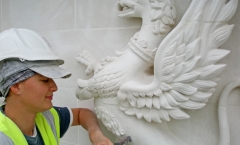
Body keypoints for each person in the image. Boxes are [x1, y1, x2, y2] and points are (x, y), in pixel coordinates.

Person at [0, 28, 113, 145]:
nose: (54, 87)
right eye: (45, 80)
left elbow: (82, 114)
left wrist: (95, 135)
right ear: (16, 86)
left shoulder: (47, 117)